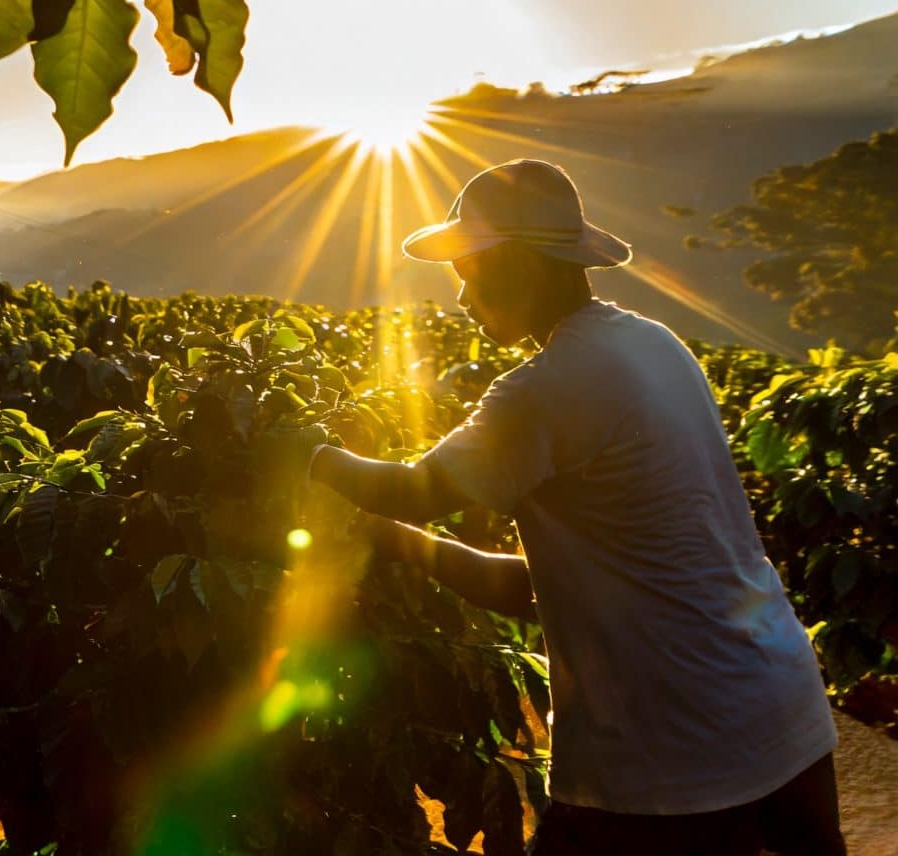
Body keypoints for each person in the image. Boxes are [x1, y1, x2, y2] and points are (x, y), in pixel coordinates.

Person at [299, 158, 844, 855]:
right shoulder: (655, 344)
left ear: (519, 265)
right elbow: (545, 591)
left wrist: (307, 456)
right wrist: (400, 543)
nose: (461, 297)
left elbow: (414, 490)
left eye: (468, 271)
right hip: (778, 700)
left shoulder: (547, 387)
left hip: (675, 744)